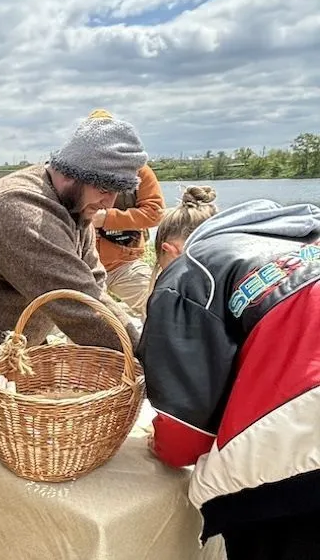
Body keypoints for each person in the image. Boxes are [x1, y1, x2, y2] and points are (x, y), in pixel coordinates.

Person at [0, 110, 143, 422]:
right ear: (72, 173)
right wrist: (147, 359)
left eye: (118, 190)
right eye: (105, 188)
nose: (110, 201)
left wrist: (136, 342)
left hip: (8, 356)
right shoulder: (21, 212)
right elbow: (76, 305)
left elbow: (93, 287)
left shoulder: (76, 207)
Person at [137, 189, 320, 560]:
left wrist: (160, 442)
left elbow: (182, 435)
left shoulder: (191, 269)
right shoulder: (301, 235)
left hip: (300, 438)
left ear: (169, 251)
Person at [92, 140, 165, 318]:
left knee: (159, 305)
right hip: (84, 267)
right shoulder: (74, 173)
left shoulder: (140, 171)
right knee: (81, 321)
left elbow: (155, 213)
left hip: (125, 263)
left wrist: (107, 218)